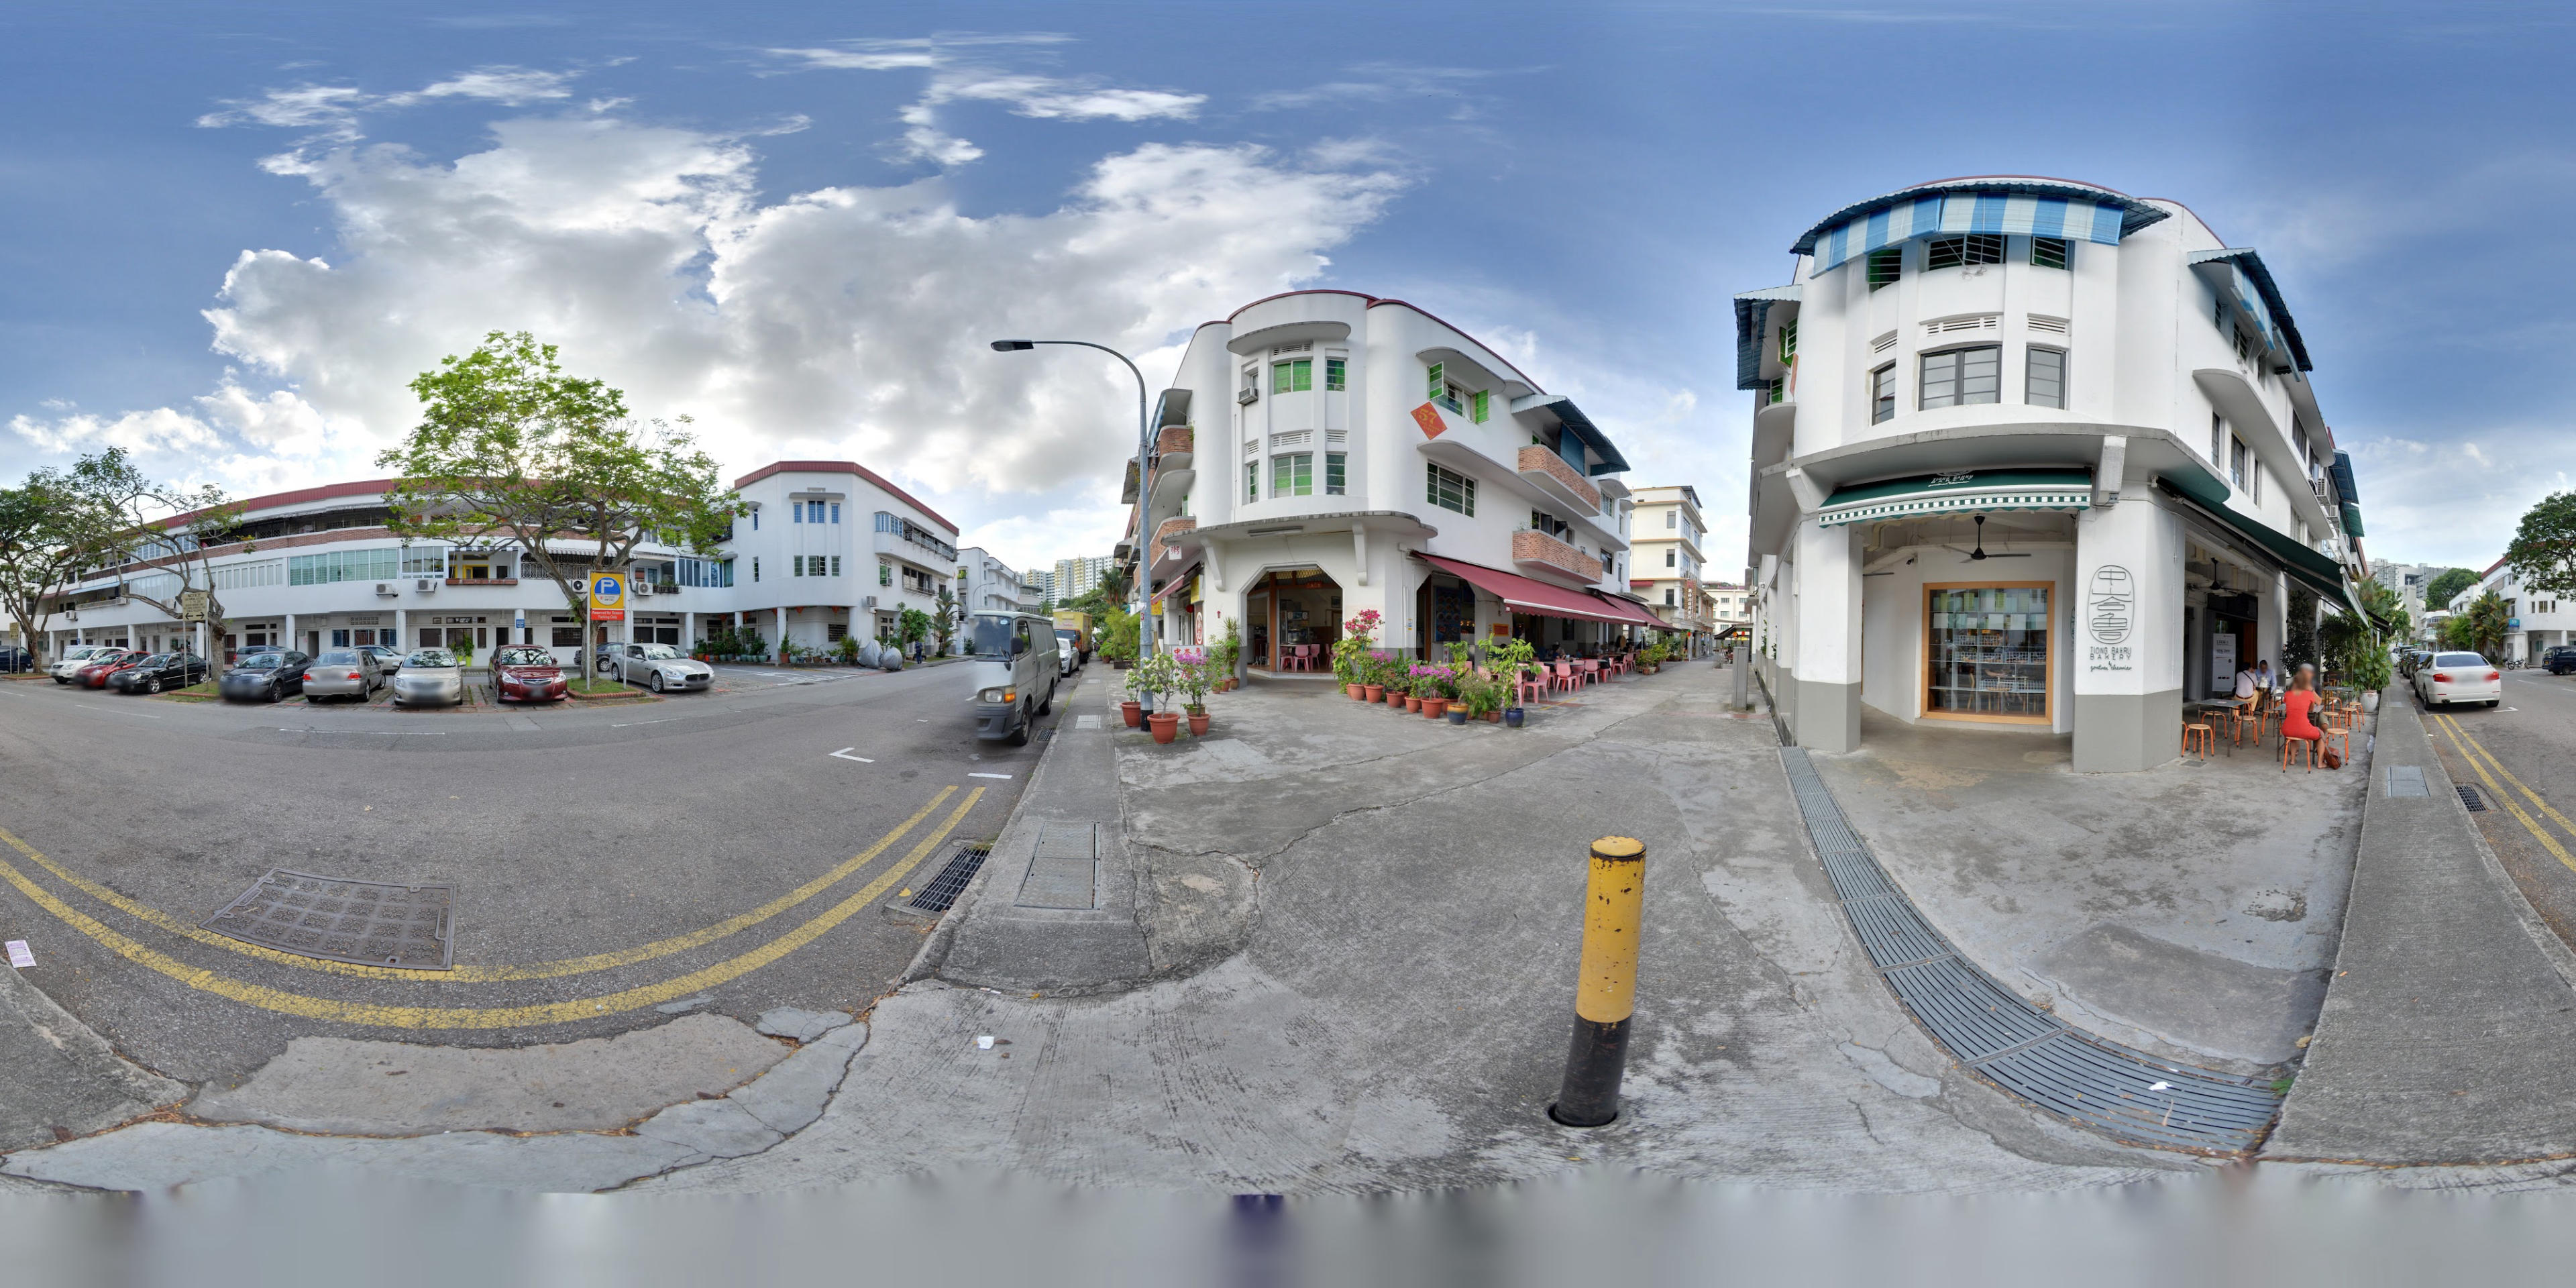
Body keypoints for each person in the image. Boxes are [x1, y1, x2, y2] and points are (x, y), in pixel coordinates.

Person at [2280, 665, 2325, 765]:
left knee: (2293, 734)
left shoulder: (2287, 694)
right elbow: (2312, 708)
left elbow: (2287, 703)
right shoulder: (2309, 694)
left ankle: (2292, 760)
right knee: (2321, 734)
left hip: (2287, 729)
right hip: (2303, 728)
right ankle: (2320, 763)